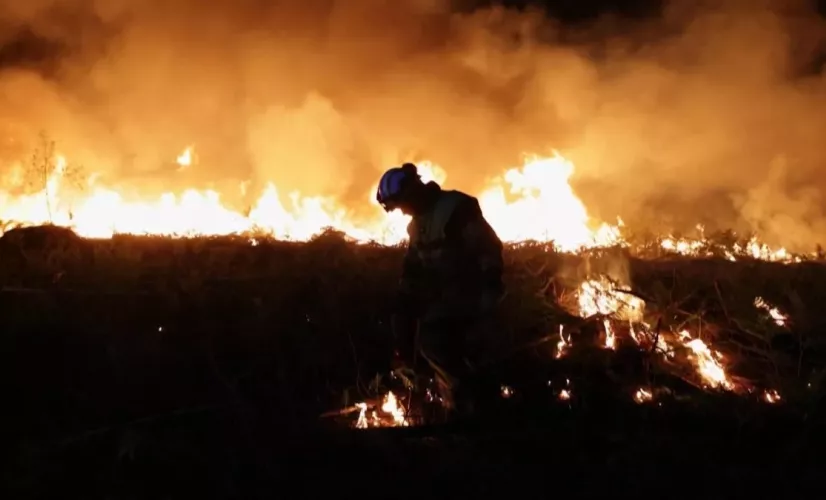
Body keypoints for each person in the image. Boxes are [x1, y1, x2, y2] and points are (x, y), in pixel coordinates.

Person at [375, 162, 505, 419]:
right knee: (413, 327)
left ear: (413, 191)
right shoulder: (416, 226)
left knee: (435, 339)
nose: (402, 212)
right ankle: (449, 399)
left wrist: (490, 291)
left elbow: (487, 248)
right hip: (445, 296)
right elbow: (413, 269)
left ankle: (467, 405)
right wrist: (403, 306)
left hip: (472, 292)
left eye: (401, 204)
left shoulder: (456, 208)